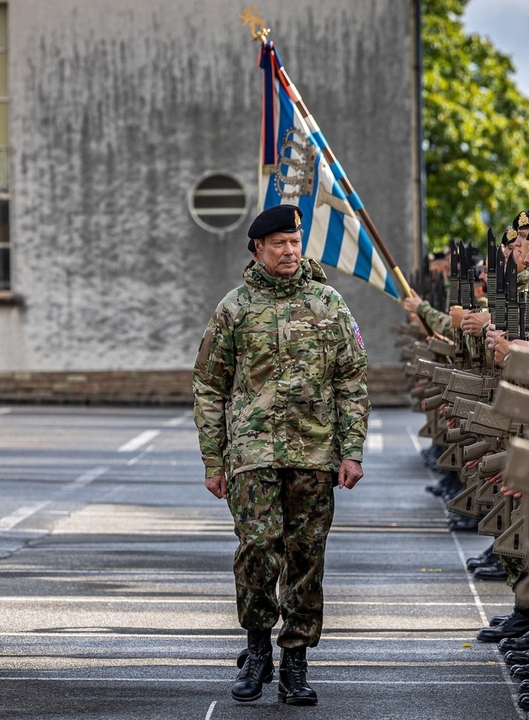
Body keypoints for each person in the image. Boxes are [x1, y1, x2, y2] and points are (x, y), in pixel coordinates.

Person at [192, 204, 369, 706]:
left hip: (315, 454)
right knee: (257, 549)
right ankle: (256, 650)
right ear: (257, 250)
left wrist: (351, 451)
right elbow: (209, 386)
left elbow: (352, 379)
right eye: (279, 245)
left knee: (306, 557)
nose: (290, 251)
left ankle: (295, 660)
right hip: (253, 455)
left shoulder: (329, 304)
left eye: (294, 243)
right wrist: (214, 459)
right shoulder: (235, 308)